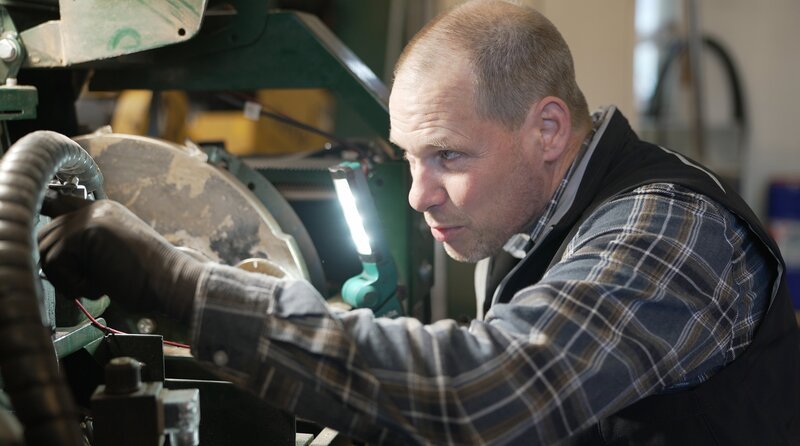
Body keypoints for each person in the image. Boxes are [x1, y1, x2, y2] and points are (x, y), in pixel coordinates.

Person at [38, 1, 800, 444]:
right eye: (409, 158)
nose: (418, 195)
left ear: (547, 131)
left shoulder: (665, 230)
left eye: (448, 157)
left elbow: (486, 389)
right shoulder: (534, 220)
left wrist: (183, 287)